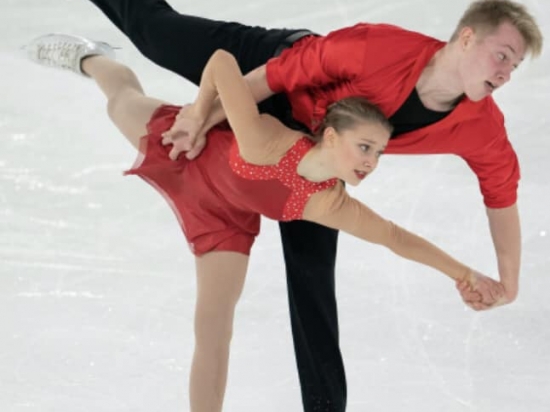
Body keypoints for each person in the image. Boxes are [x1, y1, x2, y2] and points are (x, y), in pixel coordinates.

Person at [63, 0, 545, 411]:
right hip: (272, 76)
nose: (505, 72)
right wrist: (197, 116)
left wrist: (508, 282)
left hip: (320, 155)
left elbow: (500, 194)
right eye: (500, 55)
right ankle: (97, 59)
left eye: (514, 65)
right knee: (154, 35)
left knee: (312, 276)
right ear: (465, 39)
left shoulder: (481, 126)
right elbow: (270, 75)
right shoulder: (375, 48)